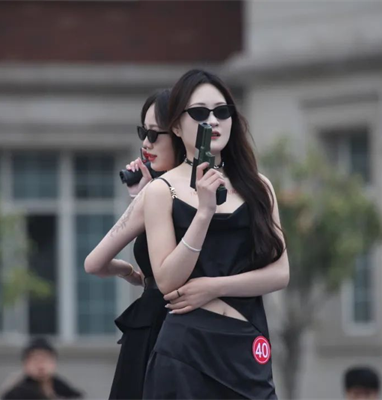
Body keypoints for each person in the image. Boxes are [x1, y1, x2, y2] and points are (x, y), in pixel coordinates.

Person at [142, 69, 290, 400]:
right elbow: (167, 280)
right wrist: (204, 212)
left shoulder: (258, 186)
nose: (213, 121)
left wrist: (214, 287)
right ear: (176, 126)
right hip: (186, 348)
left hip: (245, 341)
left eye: (222, 111)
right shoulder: (162, 190)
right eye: (199, 113)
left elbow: (280, 273)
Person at [84, 89, 181, 400]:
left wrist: (128, 272)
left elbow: (94, 263)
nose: (146, 144)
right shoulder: (207, 190)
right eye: (143, 132)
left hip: (163, 326)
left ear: (180, 134)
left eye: (154, 134)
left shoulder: (162, 193)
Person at [1, 337, 83, 400]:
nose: (40, 365)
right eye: (35, 360)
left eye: (45, 359)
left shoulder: (66, 391)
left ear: (54, 363)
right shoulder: (16, 395)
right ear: (25, 364)